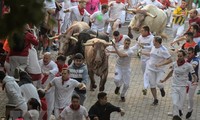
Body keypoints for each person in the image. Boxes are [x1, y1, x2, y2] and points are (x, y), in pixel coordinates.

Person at [160, 50, 197, 120]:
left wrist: (194, 81)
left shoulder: (188, 66)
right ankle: (175, 116)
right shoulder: (174, 64)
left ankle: (176, 112)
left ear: (184, 56)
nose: (179, 57)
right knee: (174, 103)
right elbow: (171, 72)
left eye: (181, 56)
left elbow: (194, 75)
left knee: (179, 106)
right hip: (174, 86)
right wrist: (164, 79)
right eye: (178, 56)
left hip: (183, 87)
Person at [141, 36, 172, 105]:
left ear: (157, 42)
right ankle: (155, 99)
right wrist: (143, 53)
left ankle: (161, 88)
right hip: (150, 69)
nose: (152, 42)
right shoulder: (153, 47)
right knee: (152, 85)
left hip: (159, 70)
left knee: (158, 83)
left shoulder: (163, 50)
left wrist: (161, 64)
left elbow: (170, 60)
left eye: (153, 41)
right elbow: (151, 54)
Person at [131, 25, 154, 95]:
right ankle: (149, 84)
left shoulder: (152, 38)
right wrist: (128, 49)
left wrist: (143, 46)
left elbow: (152, 47)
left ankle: (145, 87)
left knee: (146, 73)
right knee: (145, 73)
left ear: (147, 31)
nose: (141, 32)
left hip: (149, 58)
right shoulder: (140, 37)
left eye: (142, 31)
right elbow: (136, 46)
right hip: (142, 58)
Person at [39, 52, 58, 120]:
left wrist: (49, 72)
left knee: (49, 105)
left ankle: (48, 117)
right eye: (44, 57)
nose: (45, 59)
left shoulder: (53, 64)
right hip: (40, 87)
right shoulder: (40, 62)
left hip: (49, 89)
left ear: (50, 59)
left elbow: (56, 70)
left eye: (47, 58)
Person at [185, 47, 199, 119]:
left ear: (193, 53)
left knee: (190, 97)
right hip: (186, 80)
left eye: (189, 53)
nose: (188, 55)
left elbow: (194, 66)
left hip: (193, 81)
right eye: (187, 53)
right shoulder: (187, 59)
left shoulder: (196, 60)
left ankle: (190, 110)